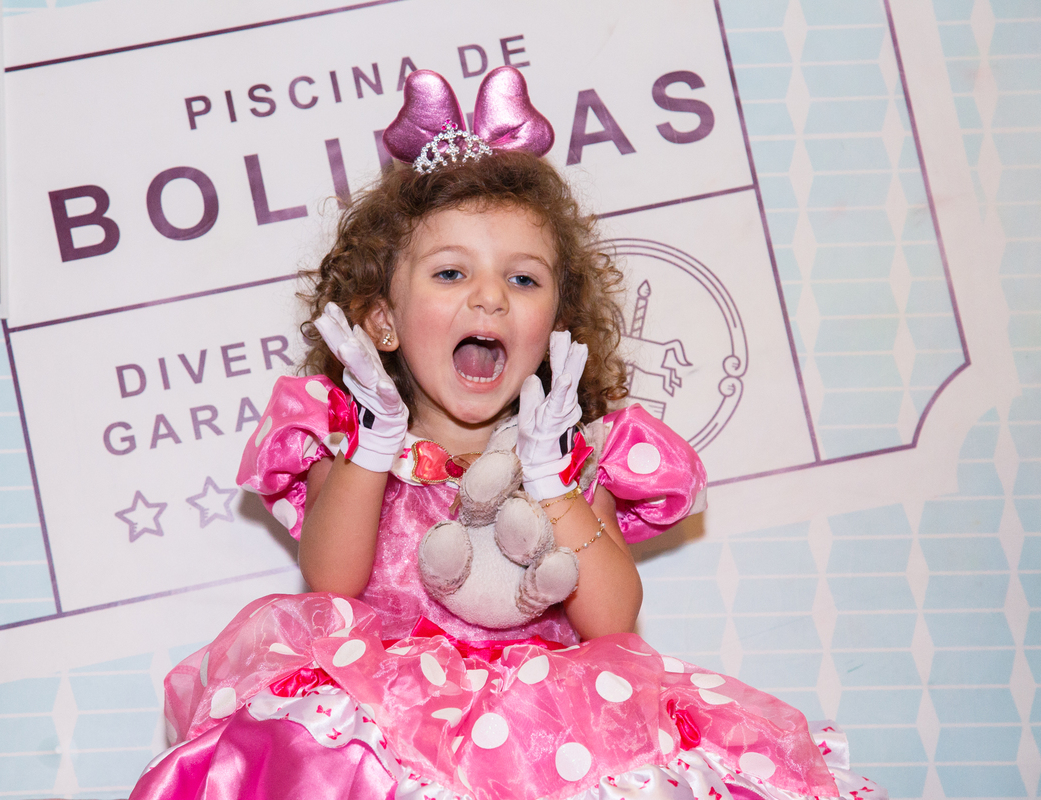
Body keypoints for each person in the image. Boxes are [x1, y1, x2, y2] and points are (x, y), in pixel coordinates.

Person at [130, 68, 883, 800]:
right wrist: (374, 441)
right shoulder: (355, 446)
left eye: (523, 280)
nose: (490, 295)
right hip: (390, 726)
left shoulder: (578, 460)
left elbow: (612, 617)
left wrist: (553, 479)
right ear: (383, 320)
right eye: (450, 274)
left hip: (555, 735)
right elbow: (332, 580)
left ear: (555, 326)